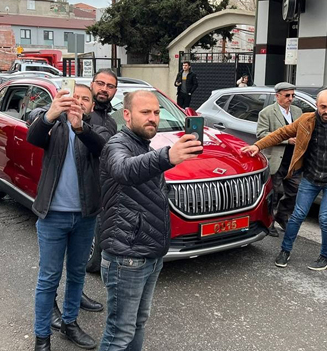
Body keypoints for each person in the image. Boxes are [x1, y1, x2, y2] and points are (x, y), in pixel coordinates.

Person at [97, 90, 203, 351]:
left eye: (156, 112)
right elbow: (124, 170)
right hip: (127, 257)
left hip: (150, 253)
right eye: (145, 112)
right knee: (119, 332)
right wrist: (167, 157)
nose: (153, 118)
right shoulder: (116, 144)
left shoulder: (144, 144)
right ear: (127, 115)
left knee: (138, 323)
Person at [27, 83, 116, 351]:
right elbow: (33, 137)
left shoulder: (96, 128)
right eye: (74, 97)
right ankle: (42, 336)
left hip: (85, 216)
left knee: (77, 274)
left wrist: (80, 127)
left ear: (91, 106)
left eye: (85, 99)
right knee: (49, 277)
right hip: (52, 215)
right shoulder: (53, 125)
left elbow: (102, 148)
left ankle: (69, 322)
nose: (79, 102)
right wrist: (49, 115)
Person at [242, 89, 327, 271]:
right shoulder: (306, 120)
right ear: (316, 106)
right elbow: (281, 133)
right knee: (297, 216)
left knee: (325, 219)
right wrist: (257, 146)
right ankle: (285, 251)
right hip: (310, 177)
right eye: (323, 107)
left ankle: (326, 256)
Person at [48, 70, 120, 334]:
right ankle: (52, 306)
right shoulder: (63, 115)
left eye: (110, 86)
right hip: (61, 198)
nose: (104, 88)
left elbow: (107, 151)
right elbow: (36, 125)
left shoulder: (109, 120)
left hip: (91, 196)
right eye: (100, 83)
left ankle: (74, 298)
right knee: (51, 267)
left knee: (78, 262)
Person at [256, 82, 302, 237]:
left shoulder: (297, 111)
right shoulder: (267, 112)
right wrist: (286, 140)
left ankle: (283, 216)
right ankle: (270, 222)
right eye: (287, 95)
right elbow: (261, 134)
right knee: (274, 193)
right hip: (276, 159)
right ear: (277, 96)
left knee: (294, 192)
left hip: (293, 160)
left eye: (292, 95)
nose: (290, 99)